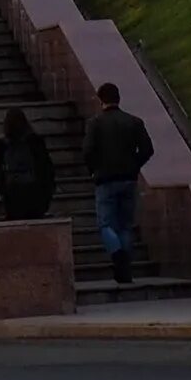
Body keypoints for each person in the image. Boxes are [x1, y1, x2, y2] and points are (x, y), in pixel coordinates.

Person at [82, 81, 155, 285]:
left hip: (105, 179)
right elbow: (148, 149)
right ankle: (125, 267)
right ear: (118, 98)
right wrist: (134, 165)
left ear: (100, 100)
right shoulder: (134, 122)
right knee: (125, 225)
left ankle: (118, 256)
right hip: (128, 179)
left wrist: (93, 170)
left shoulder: (95, 124)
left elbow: (87, 151)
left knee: (105, 224)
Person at [0, 108, 55, 221]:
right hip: (34, 191)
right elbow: (46, 168)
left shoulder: (1, 145)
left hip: (12, 193)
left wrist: (3, 190)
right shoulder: (35, 141)